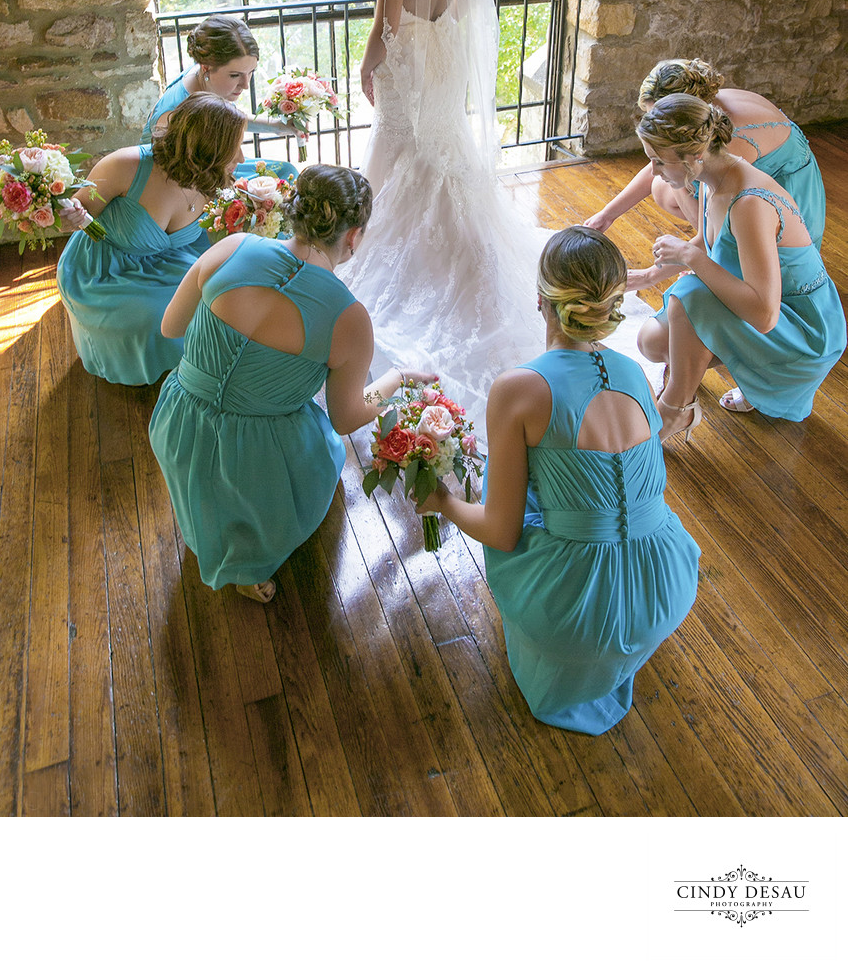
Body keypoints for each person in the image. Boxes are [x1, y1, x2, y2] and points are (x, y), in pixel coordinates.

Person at [414, 227, 700, 734]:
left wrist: (445, 502)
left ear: (542, 299)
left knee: (508, 511)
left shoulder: (518, 389)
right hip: (666, 585)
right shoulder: (632, 373)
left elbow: (501, 532)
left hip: (577, 615)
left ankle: (565, 668)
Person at [148, 165, 435, 604]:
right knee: (324, 450)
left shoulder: (231, 247)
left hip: (177, 424)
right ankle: (250, 559)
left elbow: (170, 327)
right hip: (259, 456)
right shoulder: (349, 318)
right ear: (354, 236)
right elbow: (346, 418)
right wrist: (395, 379)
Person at [343, 0, 546, 433]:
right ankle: (463, 253)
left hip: (407, 64)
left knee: (396, 149)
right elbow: (455, 14)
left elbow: (387, 24)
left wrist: (365, 66)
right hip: (442, 64)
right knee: (441, 153)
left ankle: (378, 255)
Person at [629, 95, 845, 439]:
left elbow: (764, 315)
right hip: (764, 309)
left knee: (688, 297)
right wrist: (646, 275)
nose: (653, 171)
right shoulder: (709, 178)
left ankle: (675, 409)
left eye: (658, 161)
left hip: (802, 328)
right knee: (652, 341)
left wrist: (690, 258)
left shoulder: (749, 203)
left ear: (694, 156)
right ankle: (743, 372)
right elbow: (715, 243)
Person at [57, 94, 247, 385]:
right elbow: (74, 216)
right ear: (207, 146)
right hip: (104, 268)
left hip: (164, 261)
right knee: (158, 316)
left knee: (218, 297)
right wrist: (69, 215)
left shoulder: (211, 178)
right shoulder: (125, 165)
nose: (241, 159)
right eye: (234, 149)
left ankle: (198, 369)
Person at [584, 57, 826, 248]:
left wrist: (696, 255)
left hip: (793, 203)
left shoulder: (729, 139)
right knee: (663, 185)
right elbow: (660, 163)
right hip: (767, 183)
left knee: (681, 182)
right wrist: (607, 215)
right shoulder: (707, 113)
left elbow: (711, 207)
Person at [143, 13, 296, 181]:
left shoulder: (204, 78)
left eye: (251, 72)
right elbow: (179, 179)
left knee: (285, 172)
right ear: (206, 68)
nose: (245, 84)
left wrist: (278, 126)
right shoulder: (173, 115)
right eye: (235, 75)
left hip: (212, 166)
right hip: (186, 177)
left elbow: (226, 120)